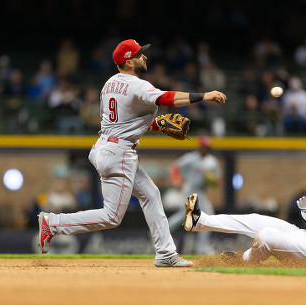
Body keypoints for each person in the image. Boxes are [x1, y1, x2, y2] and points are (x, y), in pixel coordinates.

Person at [37, 39, 227, 267]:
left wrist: (155, 124)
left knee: (151, 195)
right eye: (139, 54)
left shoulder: (108, 84)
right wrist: (203, 96)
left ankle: (166, 253)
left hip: (106, 146)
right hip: (120, 153)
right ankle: (53, 223)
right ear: (128, 61)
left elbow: (125, 120)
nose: (144, 57)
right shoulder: (137, 85)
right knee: (111, 216)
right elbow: (166, 98)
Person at [183, 168, 306, 265]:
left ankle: (242, 261)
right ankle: (200, 221)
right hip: (302, 235)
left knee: (266, 235)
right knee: (256, 219)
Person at [167, 136, 221, 254]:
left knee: (193, 215)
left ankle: (161, 234)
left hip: (201, 192)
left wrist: (211, 179)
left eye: (207, 147)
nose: (205, 149)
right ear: (199, 146)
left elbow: (218, 181)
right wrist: (177, 181)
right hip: (190, 190)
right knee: (191, 215)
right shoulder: (191, 158)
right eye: (203, 146)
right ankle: (162, 234)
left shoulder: (212, 161)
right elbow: (175, 167)